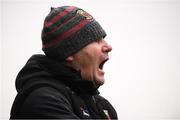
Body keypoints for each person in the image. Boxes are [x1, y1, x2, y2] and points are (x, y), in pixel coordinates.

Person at [10, 6, 118, 119]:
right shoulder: (43, 100)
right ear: (69, 52)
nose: (108, 47)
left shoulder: (104, 107)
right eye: (96, 40)